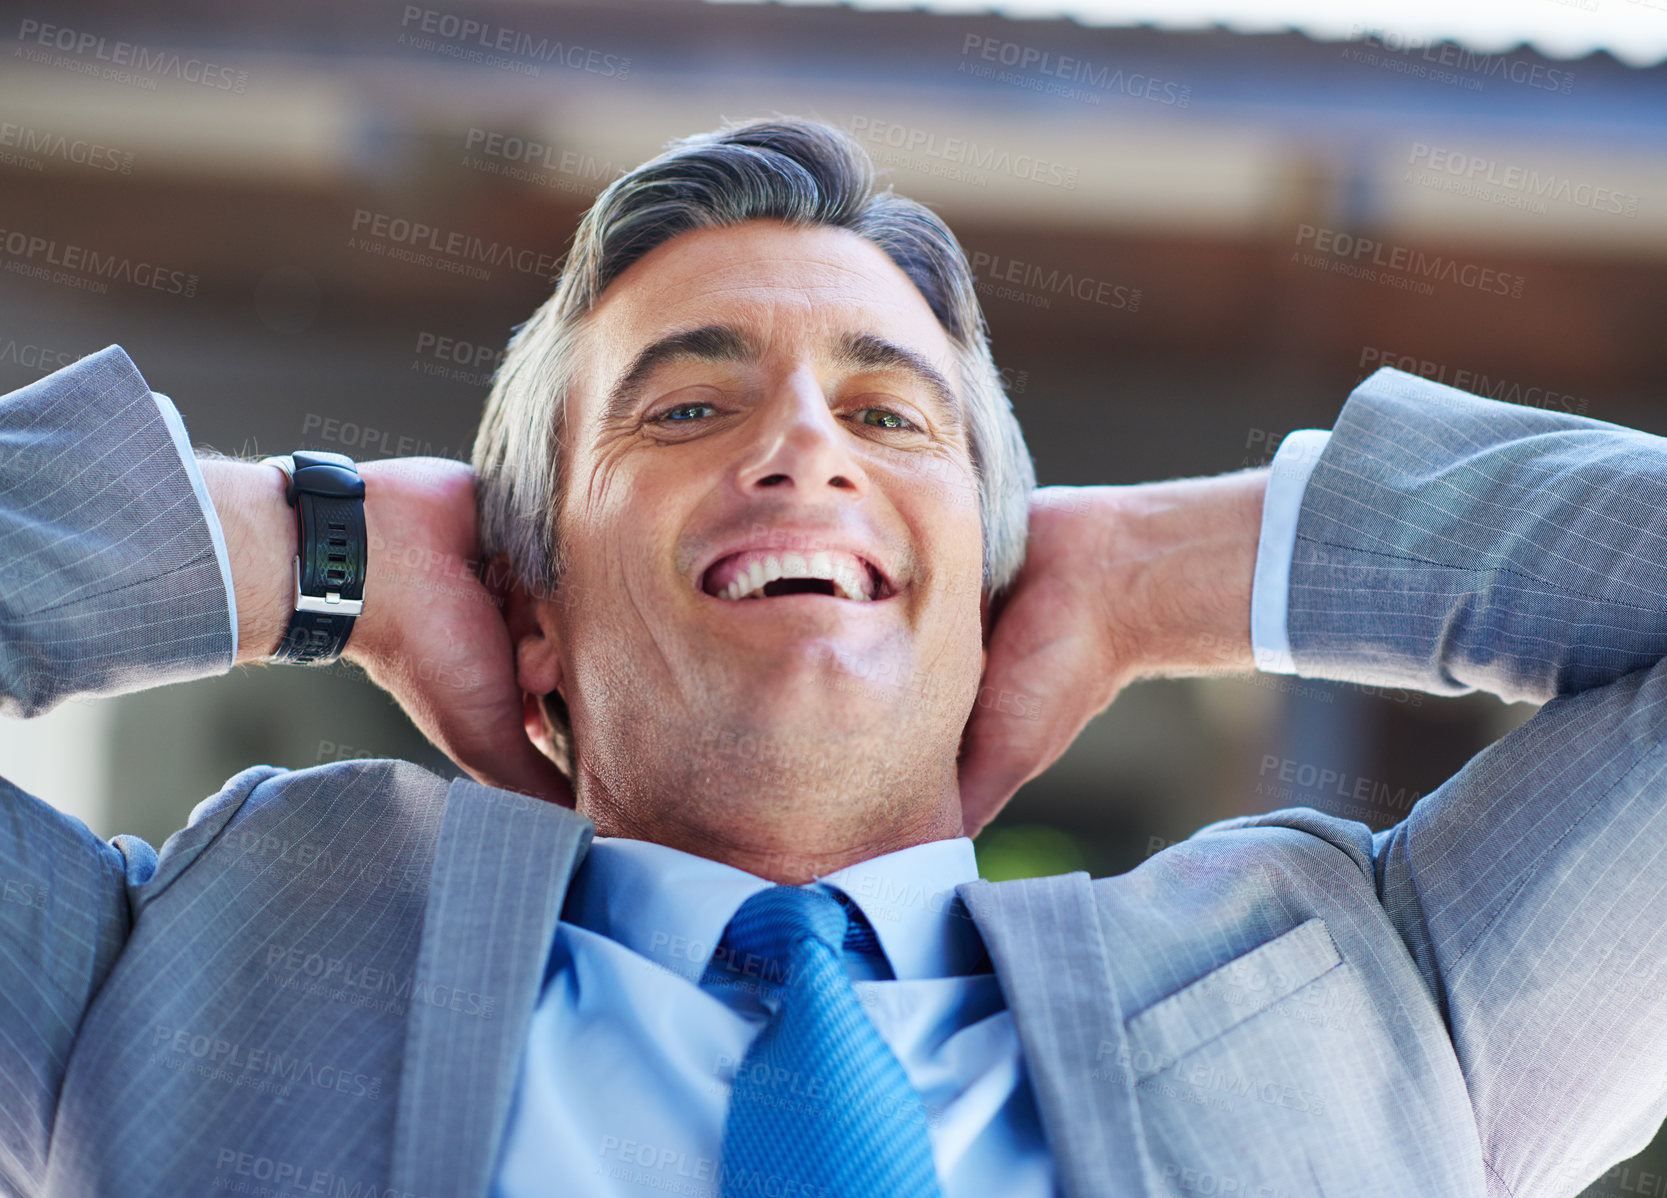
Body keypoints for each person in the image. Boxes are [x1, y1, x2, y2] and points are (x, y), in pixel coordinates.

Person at [2, 117, 1664, 1198]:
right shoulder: (181, 960)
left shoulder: (1369, 981)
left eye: (888, 412)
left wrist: (1180, 571)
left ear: (995, 577)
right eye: (688, 404)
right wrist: (311, 547)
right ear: (532, 611)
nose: (805, 442)